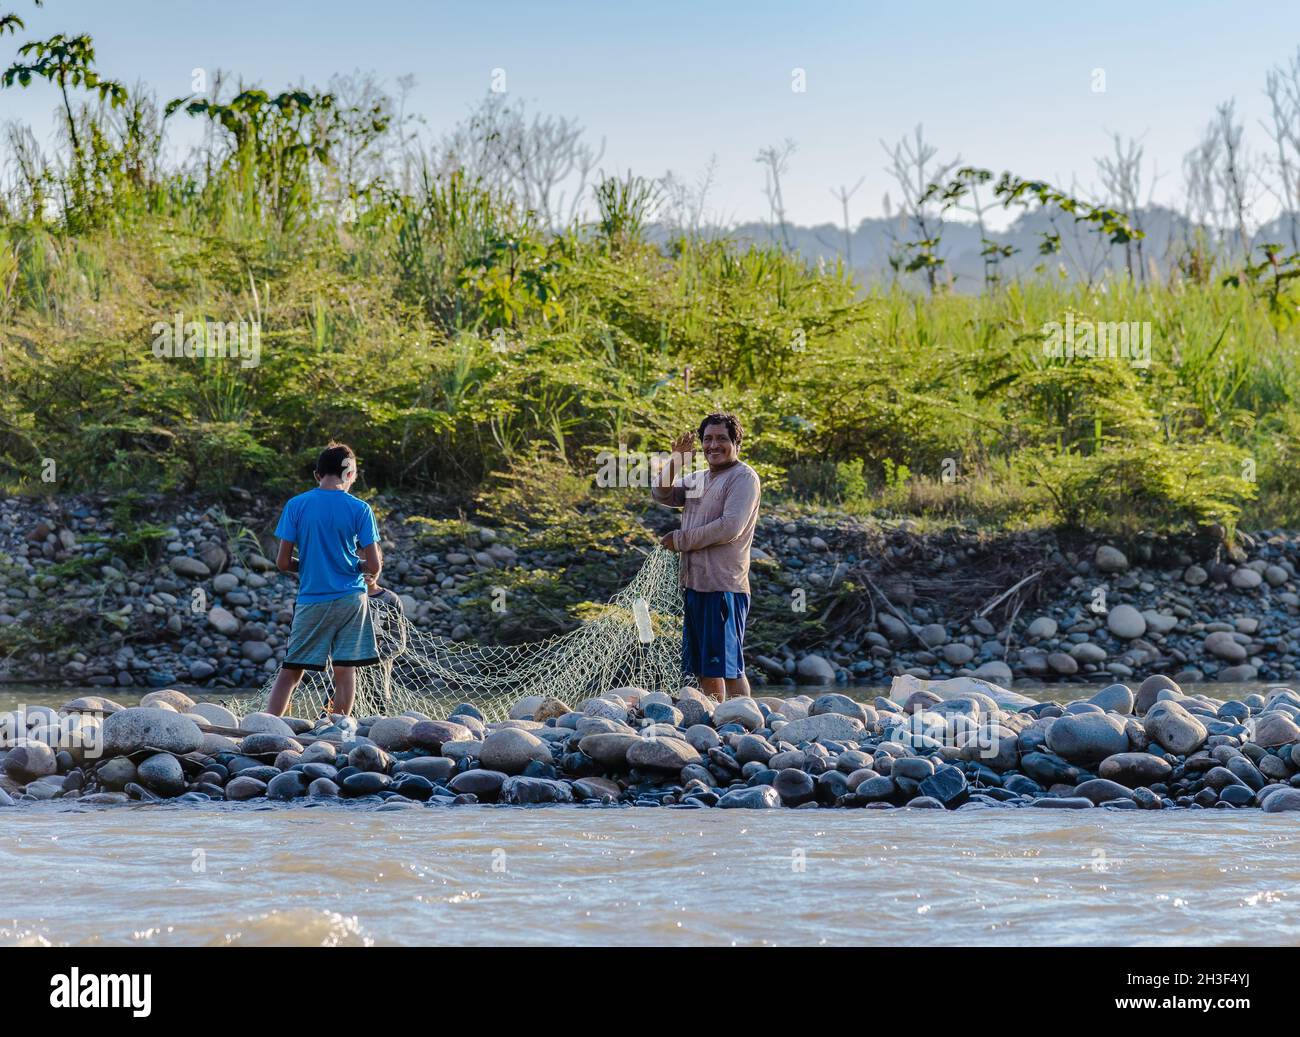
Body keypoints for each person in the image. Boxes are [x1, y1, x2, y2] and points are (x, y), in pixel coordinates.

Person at [266, 442, 383, 717]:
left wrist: (310, 567)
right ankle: (338, 729)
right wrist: (356, 566)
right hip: (352, 599)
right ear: (350, 475)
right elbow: (374, 565)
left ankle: (267, 725)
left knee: (292, 670)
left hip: (313, 599)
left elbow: (282, 562)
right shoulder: (361, 509)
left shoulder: (296, 505)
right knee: (344, 669)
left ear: (317, 474)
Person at [651, 411, 761, 701]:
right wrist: (676, 461)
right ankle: (717, 717)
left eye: (722, 439)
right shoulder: (699, 478)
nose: (714, 445)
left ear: (736, 442)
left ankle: (745, 720)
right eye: (708, 439)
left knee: (729, 666)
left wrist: (680, 539)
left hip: (724, 585)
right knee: (705, 665)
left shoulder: (743, 477)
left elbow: (729, 527)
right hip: (695, 583)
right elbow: (661, 495)